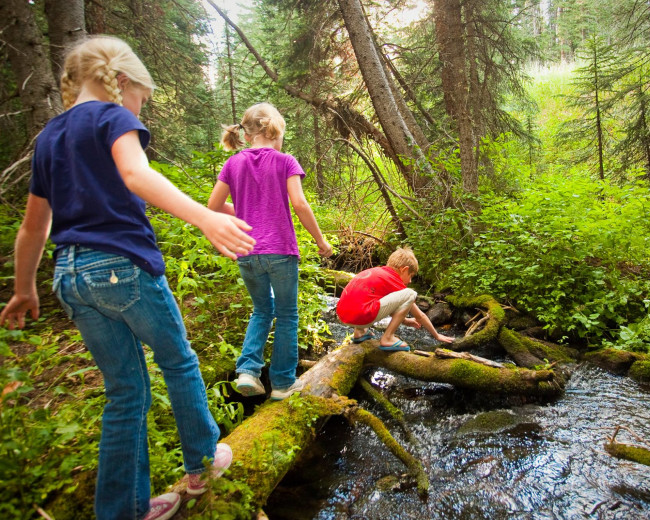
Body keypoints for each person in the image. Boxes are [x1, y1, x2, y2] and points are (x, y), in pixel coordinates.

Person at [0, 36, 252, 520]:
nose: (141, 111)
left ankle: (122, 510)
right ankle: (203, 462)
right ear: (123, 83)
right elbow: (135, 174)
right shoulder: (114, 117)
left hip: (70, 278)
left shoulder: (50, 136)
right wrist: (204, 216)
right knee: (177, 360)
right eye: (141, 100)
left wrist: (23, 287)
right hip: (122, 268)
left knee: (124, 391)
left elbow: (35, 225)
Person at [208, 102, 333, 400]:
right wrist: (320, 241)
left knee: (262, 310)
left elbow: (213, 208)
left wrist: (244, 210)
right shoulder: (285, 161)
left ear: (248, 134)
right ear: (272, 129)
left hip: (247, 252)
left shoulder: (232, 163)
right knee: (288, 314)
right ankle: (282, 384)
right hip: (280, 251)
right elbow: (299, 204)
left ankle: (248, 371)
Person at [336, 247, 454, 350]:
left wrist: (406, 321)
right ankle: (387, 338)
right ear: (404, 269)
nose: (410, 281)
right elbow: (420, 315)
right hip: (360, 317)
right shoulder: (393, 280)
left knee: (368, 299)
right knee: (410, 293)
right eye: (410, 276)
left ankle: (359, 332)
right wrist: (437, 336)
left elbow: (387, 304)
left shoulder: (378, 273)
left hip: (342, 316)